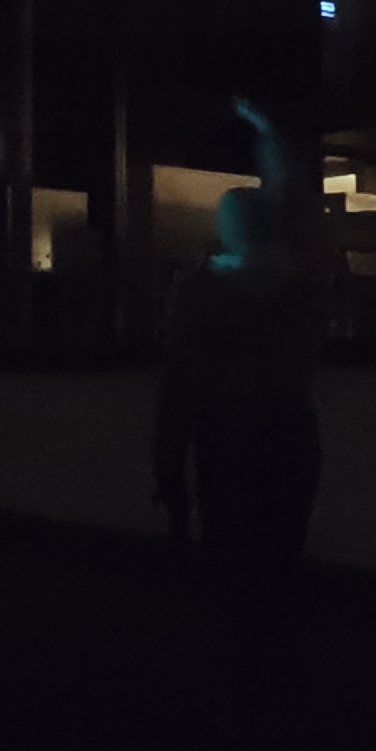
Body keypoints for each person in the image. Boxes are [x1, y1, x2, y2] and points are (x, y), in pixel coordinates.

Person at [154, 93, 321, 574]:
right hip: (292, 437)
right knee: (282, 562)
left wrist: (168, 474)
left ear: (226, 228)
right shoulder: (300, 285)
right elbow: (293, 209)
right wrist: (271, 139)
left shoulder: (199, 292)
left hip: (227, 440)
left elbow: (178, 386)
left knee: (229, 562)